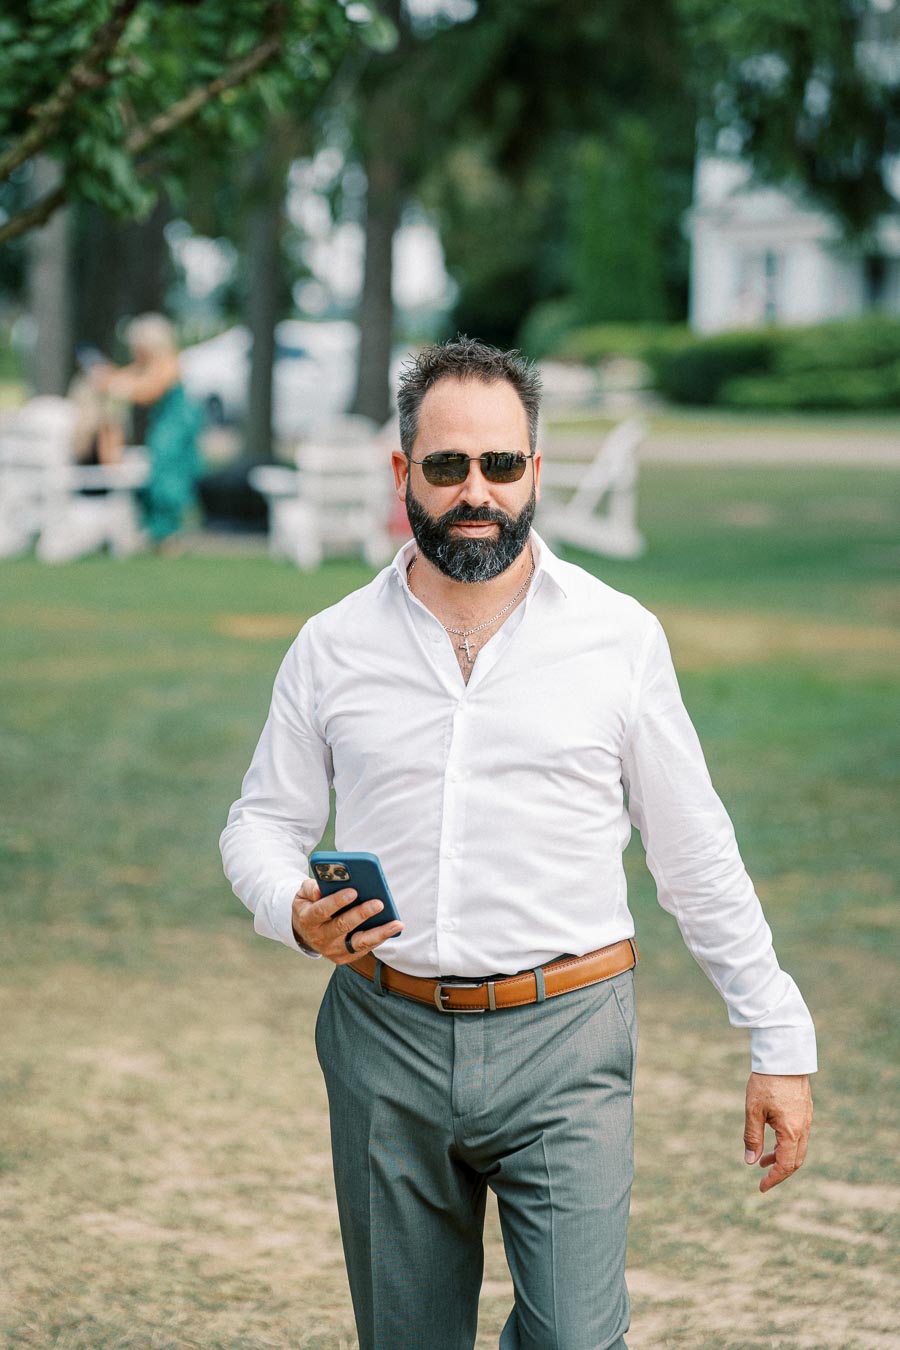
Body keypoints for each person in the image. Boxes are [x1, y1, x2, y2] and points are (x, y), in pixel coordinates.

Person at [220, 337, 816, 1350]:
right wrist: (293, 912)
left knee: (577, 1340)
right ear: (403, 474)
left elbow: (694, 851)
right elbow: (261, 824)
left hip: (568, 1035)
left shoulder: (618, 638)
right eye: (448, 467)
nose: (476, 492)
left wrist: (779, 1035)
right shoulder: (332, 644)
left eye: (501, 465)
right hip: (384, 1036)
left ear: (536, 471)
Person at [90, 313, 201, 548]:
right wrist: (108, 375)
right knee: (155, 479)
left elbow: (149, 390)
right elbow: (128, 377)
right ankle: (156, 534)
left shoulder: (169, 363)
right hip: (162, 430)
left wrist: (114, 384)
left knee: (168, 483)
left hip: (175, 432)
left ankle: (169, 537)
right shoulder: (147, 365)